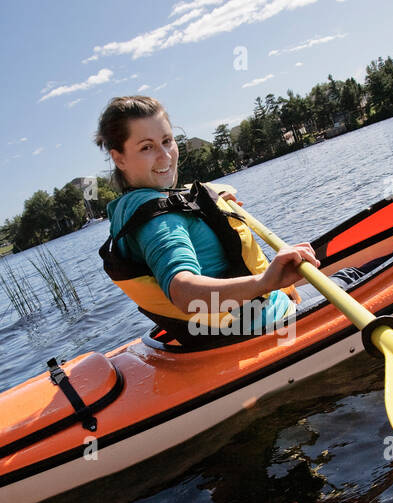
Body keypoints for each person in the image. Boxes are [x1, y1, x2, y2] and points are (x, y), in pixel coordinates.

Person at [95, 95, 318, 341]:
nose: (166, 156)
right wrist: (264, 282)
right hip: (271, 326)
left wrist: (215, 209)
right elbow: (183, 292)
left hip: (258, 318)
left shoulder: (139, 204)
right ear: (119, 158)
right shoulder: (158, 220)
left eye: (167, 141)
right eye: (147, 147)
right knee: (357, 274)